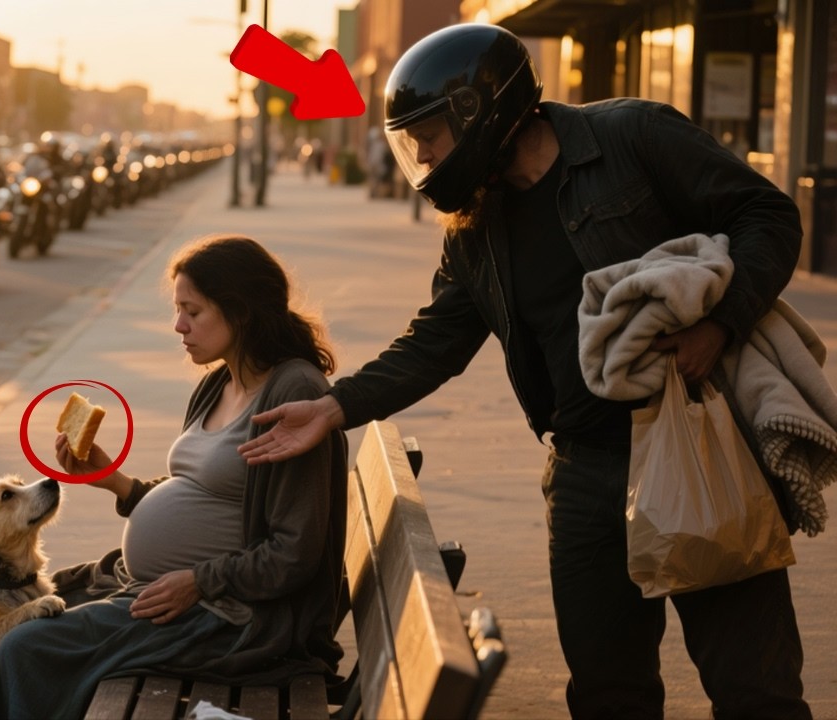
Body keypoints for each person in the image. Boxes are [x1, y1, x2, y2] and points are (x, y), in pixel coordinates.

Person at [238, 23, 811, 720]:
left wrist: (717, 325)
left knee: (756, 689)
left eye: (429, 136)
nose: (420, 156)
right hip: (583, 471)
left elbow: (769, 217)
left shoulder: (633, 136)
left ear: (477, 113)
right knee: (608, 694)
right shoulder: (477, 225)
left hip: (692, 442)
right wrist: (333, 407)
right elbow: (435, 343)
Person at [0, 235, 348, 719]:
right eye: (178, 309)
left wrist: (197, 581)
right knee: (17, 612)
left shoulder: (292, 392)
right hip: (172, 594)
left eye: (192, 311)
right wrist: (115, 482)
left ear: (240, 312)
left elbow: (294, 553)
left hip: (230, 618)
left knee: (25, 648)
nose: (179, 325)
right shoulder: (222, 379)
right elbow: (206, 493)